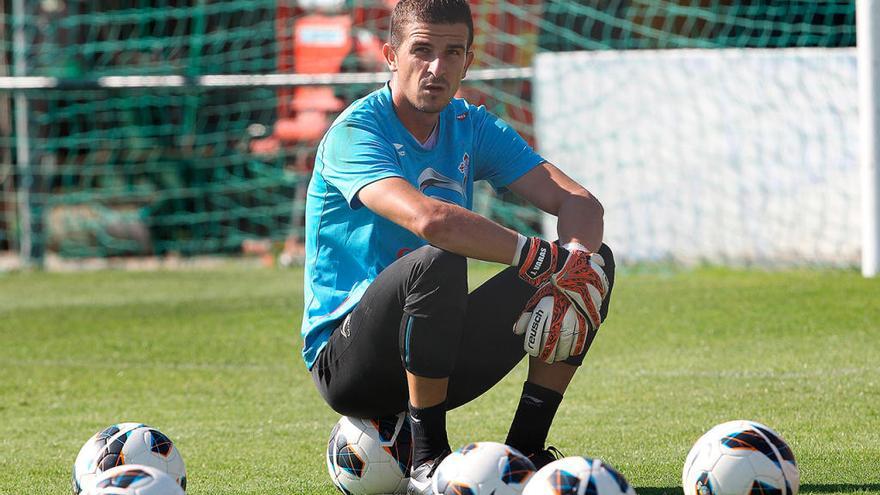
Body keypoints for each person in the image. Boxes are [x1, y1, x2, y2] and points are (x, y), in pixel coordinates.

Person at [300, 0, 615, 492]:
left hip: (436, 350)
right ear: (390, 55)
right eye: (421, 50)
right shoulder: (355, 131)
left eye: (452, 53)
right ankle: (429, 462)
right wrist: (538, 258)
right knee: (439, 259)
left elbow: (579, 202)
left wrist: (572, 264)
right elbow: (432, 220)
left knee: (594, 264)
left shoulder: (471, 125)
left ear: (468, 60)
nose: (436, 67)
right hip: (347, 363)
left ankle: (526, 453)